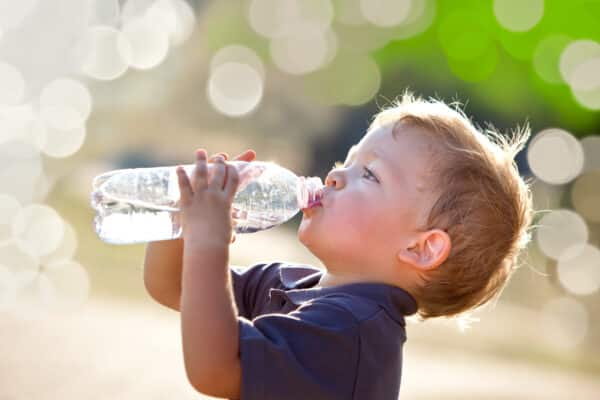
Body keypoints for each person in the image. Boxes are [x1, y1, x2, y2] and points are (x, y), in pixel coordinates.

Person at [143, 91, 534, 399]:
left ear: (421, 248)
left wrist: (209, 243)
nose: (334, 176)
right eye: (346, 161)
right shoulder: (296, 285)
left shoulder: (351, 333)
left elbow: (214, 370)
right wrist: (183, 220)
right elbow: (173, 284)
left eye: (368, 174)